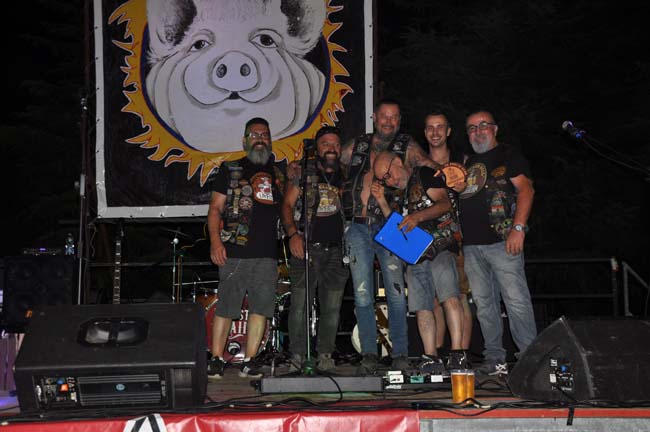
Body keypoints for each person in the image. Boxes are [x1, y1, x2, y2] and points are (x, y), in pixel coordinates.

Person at [340, 99, 437, 374]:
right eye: (384, 116)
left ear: (399, 121)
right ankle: (369, 354)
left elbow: (432, 169)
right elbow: (330, 160)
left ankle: (400, 354)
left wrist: (452, 173)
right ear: (374, 117)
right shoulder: (358, 145)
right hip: (357, 226)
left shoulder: (407, 146)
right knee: (362, 294)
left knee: (396, 293)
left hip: (390, 225)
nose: (389, 122)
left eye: (394, 117)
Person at [371, 151, 468, 373]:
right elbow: (395, 225)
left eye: (388, 175)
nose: (389, 181)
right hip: (415, 255)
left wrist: (418, 217)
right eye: (384, 180)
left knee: (449, 296)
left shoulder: (423, 174)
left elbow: (445, 204)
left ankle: (458, 353)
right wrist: (382, 200)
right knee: (421, 306)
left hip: (440, 245)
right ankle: (430, 356)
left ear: (398, 162)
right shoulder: (396, 194)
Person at [206, 117, 286, 379]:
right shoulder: (231, 169)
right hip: (234, 250)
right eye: (255, 135)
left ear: (270, 140)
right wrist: (215, 241)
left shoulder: (280, 173)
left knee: (261, 308)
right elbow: (215, 209)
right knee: (226, 306)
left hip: (267, 252)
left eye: (265, 134)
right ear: (245, 140)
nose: (260, 139)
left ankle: (250, 361)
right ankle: (216, 358)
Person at [459, 110, 537, 377]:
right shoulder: (466, 162)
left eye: (483, 125)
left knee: (515, 300)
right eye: (472, 128)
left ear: (495, 129)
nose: (478, 131)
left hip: (503, 242)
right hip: (471, 245)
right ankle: (495, 359)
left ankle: (529, 359)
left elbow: (526, 189)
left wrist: (519, 228)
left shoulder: (508, 154)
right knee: (484, 304)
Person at [281, 126, 349, 372]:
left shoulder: (347, 174)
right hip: (307, 248)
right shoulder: (303, 172)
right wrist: (293, 235)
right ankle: (297, 356)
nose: (331, 148)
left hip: (338, 250)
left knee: (332, 307)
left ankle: (325, 355)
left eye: (336, 144)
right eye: (325, 143)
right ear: (316, 148)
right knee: (300, 305)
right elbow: (286, 205)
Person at [423, 112, 474, 356]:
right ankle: (438, 354)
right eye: (430, 128)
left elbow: (479, 196)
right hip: (429, 240)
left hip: (459, 239)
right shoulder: (419, 163)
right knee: (434, 299)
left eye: (440, 127)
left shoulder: (463, 161)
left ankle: (461, 355)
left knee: (458, 296)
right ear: (425, 133)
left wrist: (465, 189)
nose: (435, 132)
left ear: (449, 131)